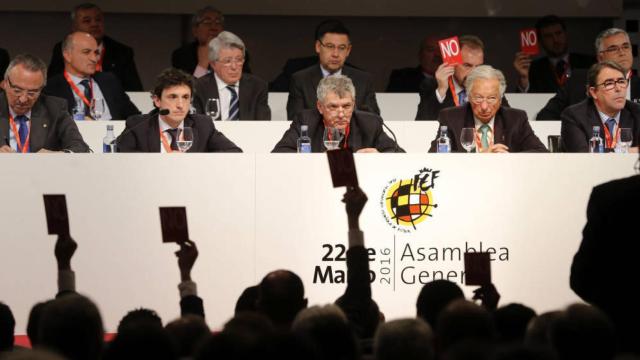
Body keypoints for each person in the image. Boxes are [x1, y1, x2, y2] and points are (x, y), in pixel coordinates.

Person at [570, 163, 640, 353]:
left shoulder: (610, 195)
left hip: (621, 332)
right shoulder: (609, 195)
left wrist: (615, 311)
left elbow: (581, 278)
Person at [116, 68, 242, 153]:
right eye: (173, 97)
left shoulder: (202, 125)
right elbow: (121, 159)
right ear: (157, 100)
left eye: (185, 97)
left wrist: (193, 162)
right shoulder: (138, 126)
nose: (180, 105)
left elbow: (234, 152)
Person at [428, 65, 547, 153]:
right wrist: (479, 157)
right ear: (468, 97)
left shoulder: (516, 119)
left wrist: (509, 158)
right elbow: (435, 154)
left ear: (500, 99)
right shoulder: (451, 118)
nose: (484, 107)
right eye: (478, 98)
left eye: (491, 98)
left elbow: (541, 152)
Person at [273, 75, 402, 153]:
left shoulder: (370, 123)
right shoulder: (305, 121)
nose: (341, 114)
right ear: (320, 107)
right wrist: (316, 160)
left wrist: (379, 156)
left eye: (346, 106)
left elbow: (400, 154)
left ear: (353, 103)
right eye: (333, 107)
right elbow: (279, 153)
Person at [537, 28, 639, 120]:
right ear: (600, 57)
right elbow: (545, 116)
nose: (622, 52)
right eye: (613, 49)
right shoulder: (578, 80)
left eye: (626, 47)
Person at [286, 19, 379, 120]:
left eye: (342, 47)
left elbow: (373, 120)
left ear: (348, 50)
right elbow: (296, 120)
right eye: (330, 46)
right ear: (318, 46)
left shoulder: (364, 80)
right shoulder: (300, 80)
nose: (335, 54)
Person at [0, 54, 89, 153]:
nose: (23, 99)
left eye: (31, 93)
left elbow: (81, 147)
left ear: (41, 89)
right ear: (5, 83)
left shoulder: (54, 109)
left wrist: (57, 155)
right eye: (17, 91)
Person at [43, 32, 140, 121]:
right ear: (67, 55)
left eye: (96, 53)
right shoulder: (51, 88)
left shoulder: (109, 81)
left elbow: (135, 118)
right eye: (86, 52)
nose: (94, 59)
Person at [48, 3, 143, 91]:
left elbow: (135, 90)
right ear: (74, 27)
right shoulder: (62, 48)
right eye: (87, 21)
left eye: (98, 20)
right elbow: (52, 84)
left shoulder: (122, 51)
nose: (94, 24)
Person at [416, 35, 507, 120]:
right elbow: (421, 123)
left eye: (478, 67)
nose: (474, 72)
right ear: (452, 64)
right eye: (467, 65)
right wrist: (441, 90)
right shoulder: (431, 85)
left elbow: (510, 121)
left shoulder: (490, 87)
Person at [561, 61, 640, 152]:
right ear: (594, 92)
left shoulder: (637, 112)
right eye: (609, 83)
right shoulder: (574, 116)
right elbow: (582, 157)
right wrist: (626, 151)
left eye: (621, 81)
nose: (618, 89)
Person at [192, 31, 270, 120]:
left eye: (239, 60)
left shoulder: (257, 87)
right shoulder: (198, 87)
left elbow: (263, 124)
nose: (234, 67)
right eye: (227, 61)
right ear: (213, 64)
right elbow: (196, 124)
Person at [514, 15, 595, 93]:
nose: (555, 40)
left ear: (565, 34)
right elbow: (523, 101)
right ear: (540, 41)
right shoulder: (533, 69)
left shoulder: (588, 63)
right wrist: (524, 78)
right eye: (548, 36)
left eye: (558, 33)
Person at [171, 6, 250, 78]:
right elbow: (187, 90)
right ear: (195, 31)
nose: (213, 27)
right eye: (207, 23)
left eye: (218, 23)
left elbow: (247, 85)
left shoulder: (238, 53)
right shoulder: (181, 55)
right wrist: (202, 64)